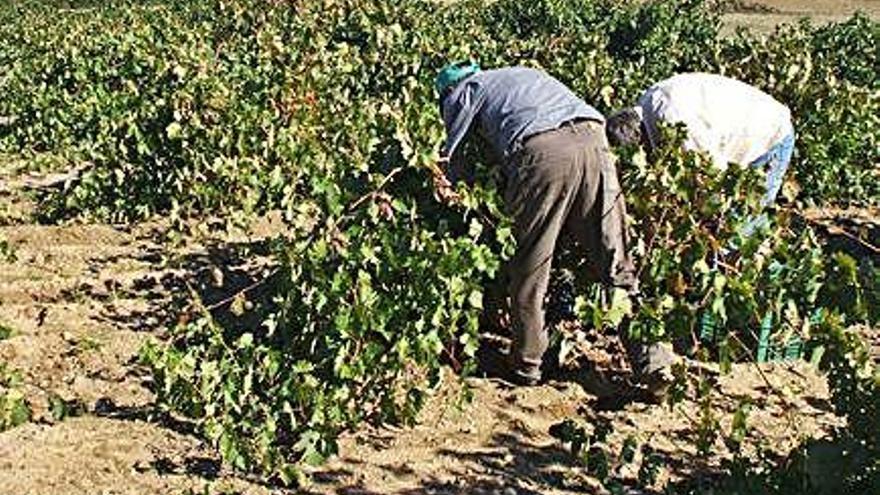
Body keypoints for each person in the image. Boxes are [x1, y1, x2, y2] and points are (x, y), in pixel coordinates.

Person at [433, 61, 673, 388]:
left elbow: (456, 159)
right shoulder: (519, 74)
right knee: (616, 263)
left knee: (530, 268)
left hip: (543, 152)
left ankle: (526, 367)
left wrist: (453, 187)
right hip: (594, 139)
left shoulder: (463, 91)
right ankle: (654, 364)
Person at [606, 72, 795, 209]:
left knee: (746, 227)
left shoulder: (680, 129)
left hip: (770, 138)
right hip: (747, 127)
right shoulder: (648, 102)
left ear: (640, 141)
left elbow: (715, 178)